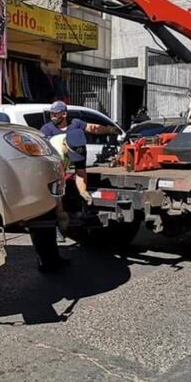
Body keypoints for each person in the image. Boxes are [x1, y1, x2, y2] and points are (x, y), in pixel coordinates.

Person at [27, 100, 119, 273]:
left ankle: (54, 260)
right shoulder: (53, 146)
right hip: (41, 183)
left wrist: (83, 191)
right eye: (52, 113)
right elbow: (57, 185)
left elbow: (80, 171)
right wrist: (61, 213)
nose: (53, 116)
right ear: (65, 146)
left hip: (55, 183)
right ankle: (45, 263)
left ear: (64, 114)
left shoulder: (76, 139)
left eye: (57, 113)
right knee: (43, 225)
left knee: (49, 227)